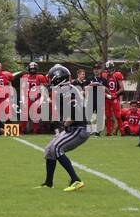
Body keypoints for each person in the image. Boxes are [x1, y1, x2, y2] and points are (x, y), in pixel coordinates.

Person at [36, 64, 88, 192]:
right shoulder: (65, 89)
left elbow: (75, 113)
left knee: (57, 148)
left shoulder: (66, 91)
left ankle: (76, 180)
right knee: (49, 150)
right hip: (73, 128)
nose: (49, 80)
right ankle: (49, 183)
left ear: (57, 78)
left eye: (51, 77)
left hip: (78, 129)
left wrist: (64, 125)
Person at [99, 62, 125, 136]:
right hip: (106, 98)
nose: (109, 71)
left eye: (110, 69)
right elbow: (102, 87)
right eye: (107, 69)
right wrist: (105, 94)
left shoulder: (117, 75)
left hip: (114, 98)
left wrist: (115, 94)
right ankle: (108, 132)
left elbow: (122, 88)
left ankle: (122, 132)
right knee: (108, 116)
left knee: (118, 116)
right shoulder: (104, 75)